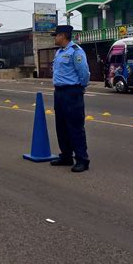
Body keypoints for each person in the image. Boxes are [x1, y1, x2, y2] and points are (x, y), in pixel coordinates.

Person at [50, 25, 91, 173]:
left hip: (72, 92)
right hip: (59, 92)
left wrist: (81, 87)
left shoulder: (76, 51)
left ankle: (82, 159)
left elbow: (84, 72)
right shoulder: (59, 52)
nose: (55, 38)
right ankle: (66, 156)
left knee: (75, 126)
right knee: (61, 126)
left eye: (56, 35)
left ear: (63, 36)